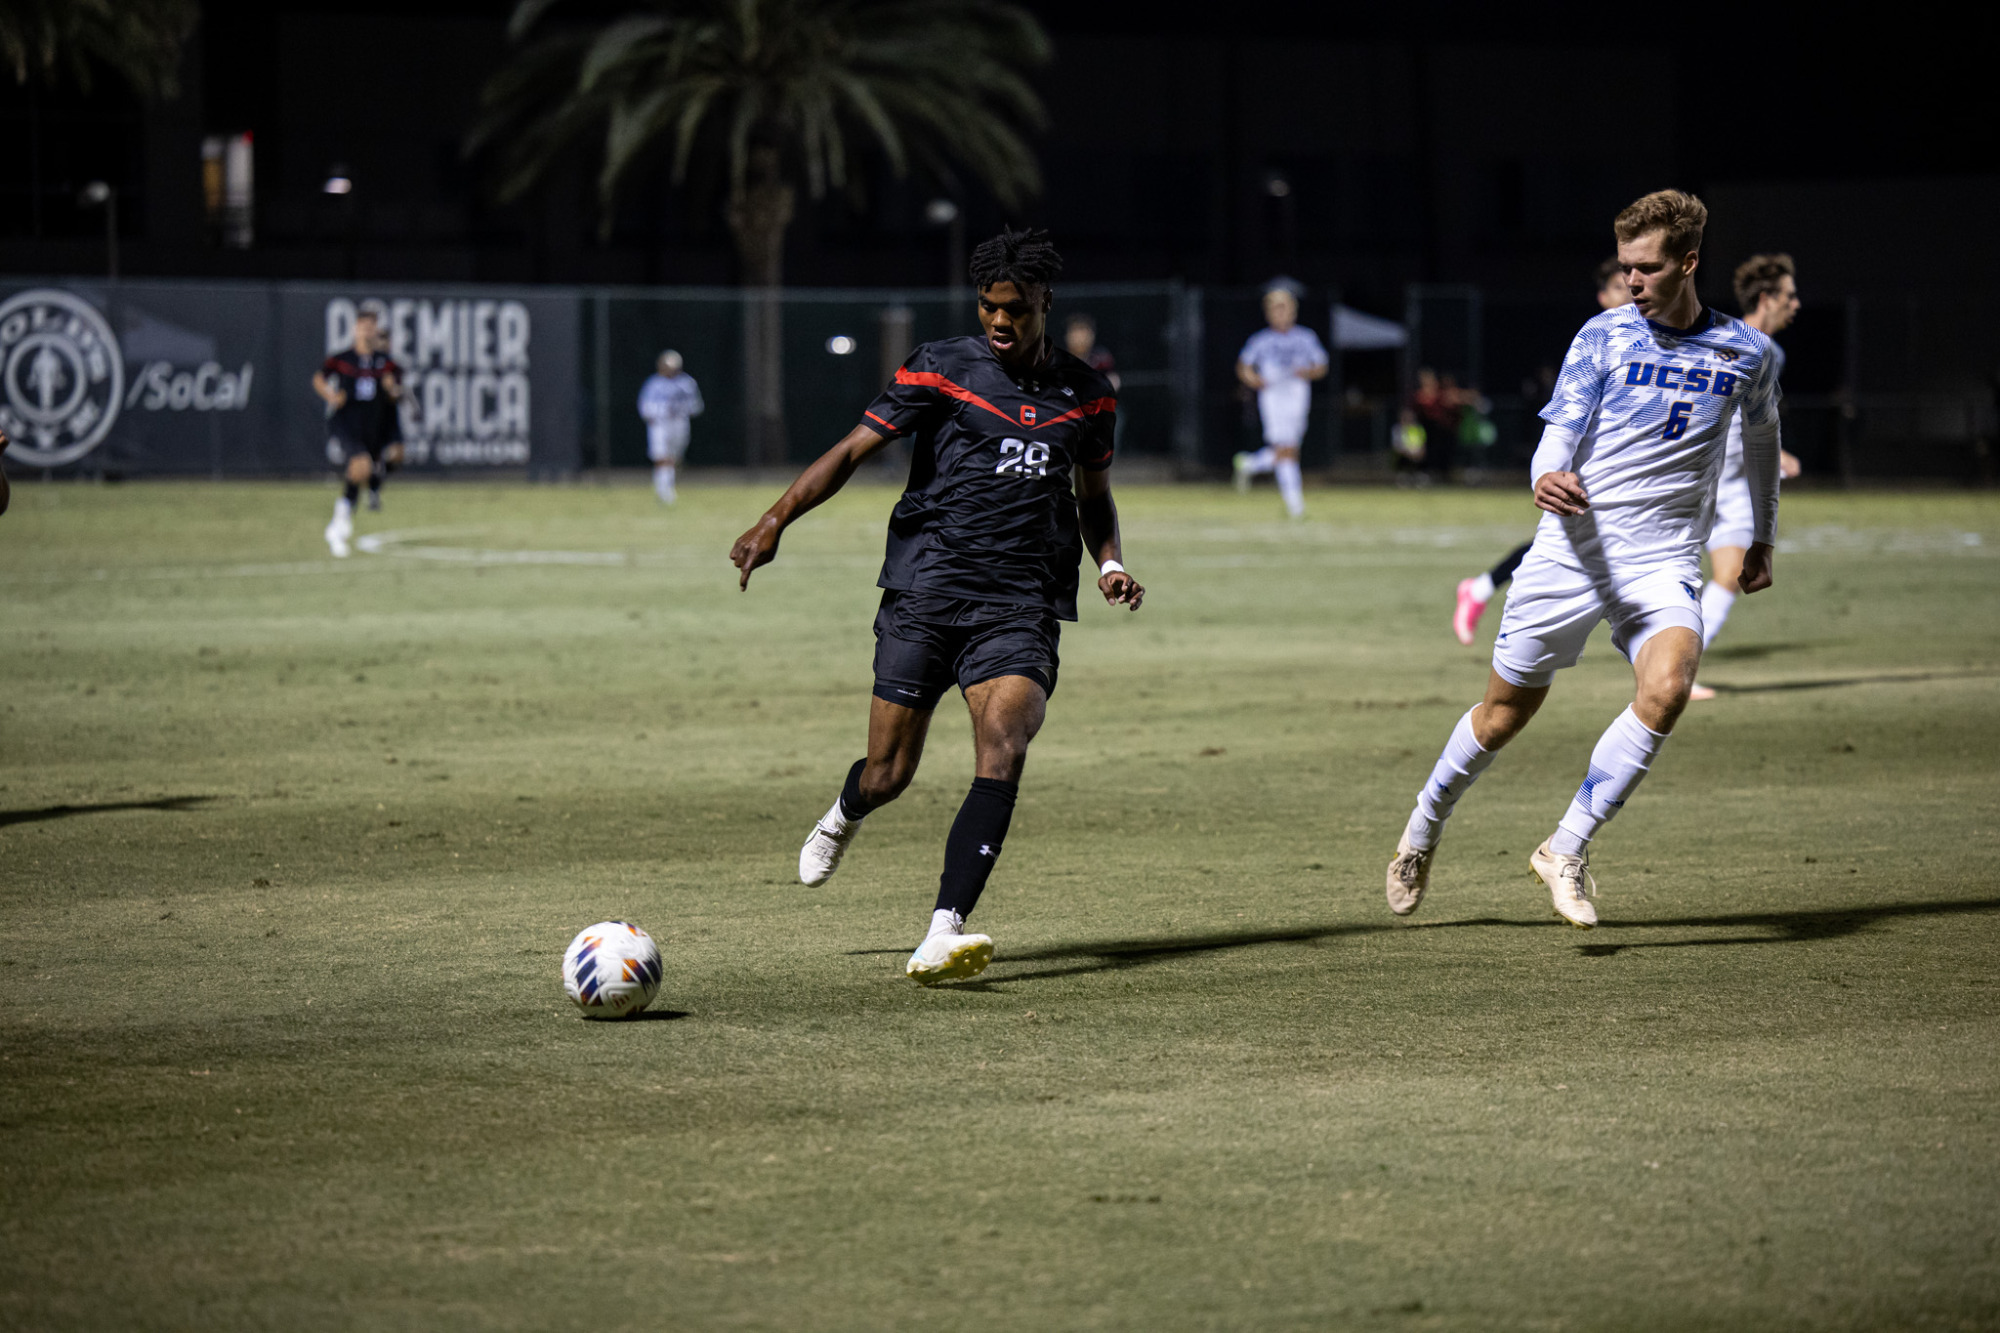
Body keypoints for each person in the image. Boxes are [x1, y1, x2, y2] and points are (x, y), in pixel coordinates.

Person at [729, 227, 1141, 985]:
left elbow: (1095, 498)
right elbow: (855, 448)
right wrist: (775, 518)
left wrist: (1109, 561)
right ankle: (844, 813)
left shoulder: (1088, 395)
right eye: (988, 306)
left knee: (1005, 742)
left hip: (1019, 605)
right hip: (926, 591)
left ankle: (942, 928)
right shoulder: (941, 368)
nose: (999, 321)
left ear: (1044, 302)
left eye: (1014, 308)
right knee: (888, 774)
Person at [1386, 189, 1782, 929]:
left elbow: (1760, 443)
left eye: (1647, 267)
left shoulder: (1746, 353)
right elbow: (1560, 428)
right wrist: (1545, 472)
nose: (1631, 280)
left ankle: (1565, 847)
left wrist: (1761, 536)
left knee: (1668, 686)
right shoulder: (1602, 336)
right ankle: (1422, 826)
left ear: (1689, 263)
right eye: (1626, 266)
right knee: (1505, 714)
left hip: (1662, 558)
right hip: (1573, 552)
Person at [1452, 258, 1634, 644]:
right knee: (1561, 550)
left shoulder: (1655, 343)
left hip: (1632, 481)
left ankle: (1482, 589)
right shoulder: (1595, 341)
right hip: (1589, 472)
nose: (1631, 294)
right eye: (1619, 288)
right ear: (1603, 297)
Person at [1690, 254, 1804, 699]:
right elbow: (1722, 407)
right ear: (1766, 298)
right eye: (1789, 296)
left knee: (1729, 574)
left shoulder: (1755, 345)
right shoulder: (1753, 346)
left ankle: (1677, 671)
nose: (1796, 305)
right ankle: (1662, 663)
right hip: (1711, 476)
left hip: (1732, 479)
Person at [1231, 284, 1328, 518]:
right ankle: (1296, 505)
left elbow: (1321, 366)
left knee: (1289, 449)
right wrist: (1255, 380)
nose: (1280, 313)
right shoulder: (1261, 340)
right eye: (1276, 309)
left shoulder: (1305, 337)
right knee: (1286, 449)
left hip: (1297, 394)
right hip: (1273, 397)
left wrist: (1306, 372)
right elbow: (1244, 367)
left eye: (1284, 308)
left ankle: (1249, 464)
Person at [317, 302, 404, 558]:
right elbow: (319, 377)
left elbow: (392, 386)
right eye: (364, 326)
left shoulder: (382, 361)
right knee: (362, 465)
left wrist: (393, 390)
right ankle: (340, 521)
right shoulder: (343, 358)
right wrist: (331, 396)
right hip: (346, 423)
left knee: (362, 469)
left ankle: (341, 519)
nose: (368, 331)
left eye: (372, 327)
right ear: (356, 328)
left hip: (372, 424)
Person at [639, 350, 704, 504]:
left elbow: (696, 406)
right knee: (661, 456)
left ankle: (666, 485)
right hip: (660, 424)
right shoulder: (653, 384)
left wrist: (680, 409)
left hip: (679, 423)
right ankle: (664, 490)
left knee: (674, 458)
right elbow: (645, 406)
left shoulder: (686, 384)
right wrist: (655, 414)